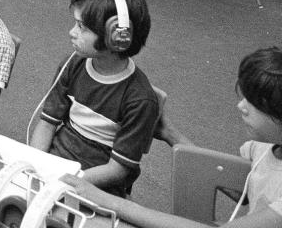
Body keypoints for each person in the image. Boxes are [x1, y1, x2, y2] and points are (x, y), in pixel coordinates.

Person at [62, 46, 282, 228]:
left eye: (253, 103)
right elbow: (244, 190)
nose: (240, 106)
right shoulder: (262, 148)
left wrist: (109, 201)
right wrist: (169, 133)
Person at [29, 0, 159, 197]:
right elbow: (47, 123)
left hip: (96, 185)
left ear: (116, 38)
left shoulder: (140, 99)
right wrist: (35, 164)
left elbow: (117, 170)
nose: (71, 32)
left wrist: (63, 182)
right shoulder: (73, 64)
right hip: (55, 167)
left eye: (82, 27)